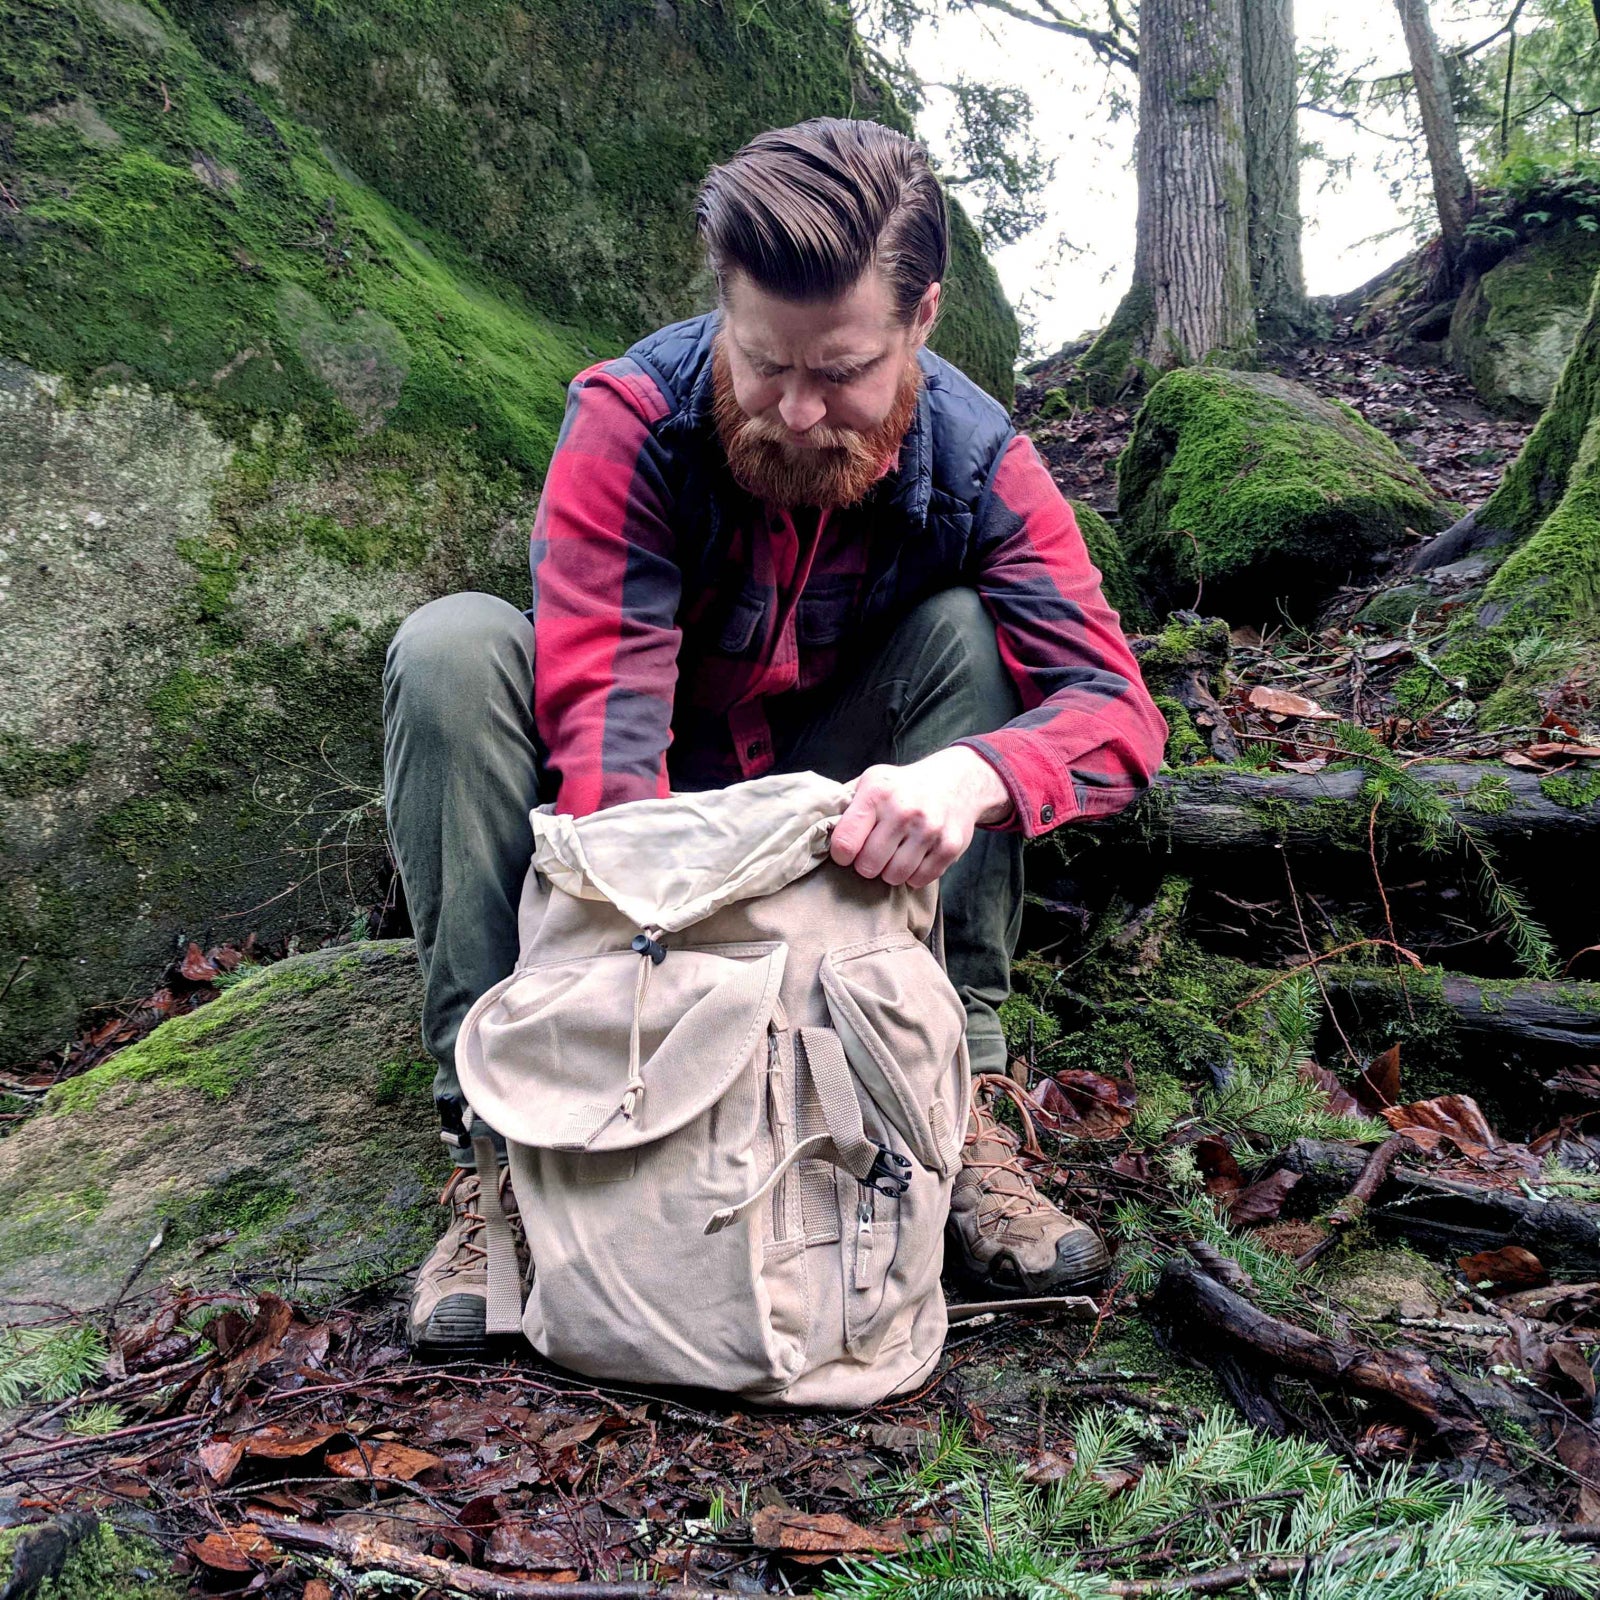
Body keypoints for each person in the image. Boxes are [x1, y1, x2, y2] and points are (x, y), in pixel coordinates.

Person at [383, 117, 1168, 1354]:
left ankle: (953, 1112)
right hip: (642, 812)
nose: (799, 412)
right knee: (451, 649)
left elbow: (1118, 711)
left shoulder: (978, 460)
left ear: (922, 320)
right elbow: (606, 739)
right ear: (724, 308)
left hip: (839, 823)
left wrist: (973, 776)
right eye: (764, 364)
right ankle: (500, 1146)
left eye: (842, 371)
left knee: (972, 637)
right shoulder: (630, 419)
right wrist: (641, 1001)